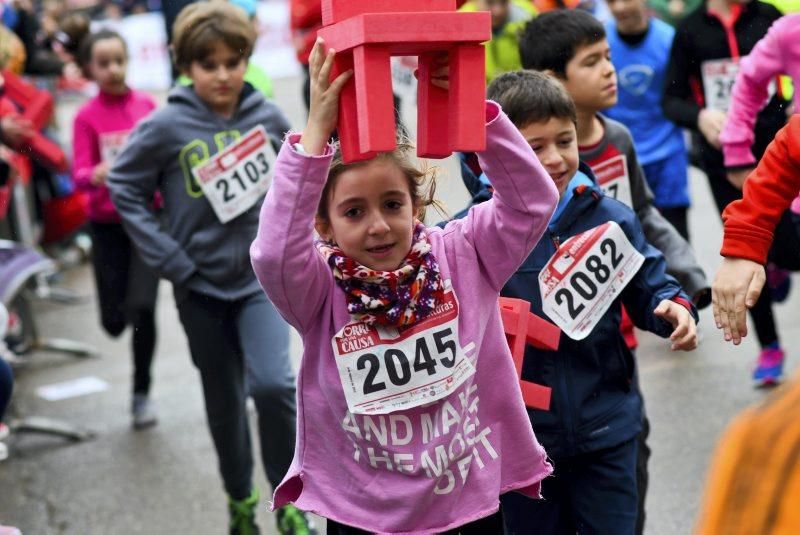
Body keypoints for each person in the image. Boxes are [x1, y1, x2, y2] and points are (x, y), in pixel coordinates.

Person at [250, 38, 558, 534]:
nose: (378, 226)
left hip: (467, 502)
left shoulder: (463, 252)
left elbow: (532, 203)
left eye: (392, 204)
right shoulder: (316, 289)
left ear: (415, 207)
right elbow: (272, 252)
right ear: (323, 226)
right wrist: (313, 140)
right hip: (364, 516)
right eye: (354, 212)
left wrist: (472, 113)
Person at [106, 3, 311, 533]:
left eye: (232, 61)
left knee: (272, 386)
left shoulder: (266, 115)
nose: (222, 75)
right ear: (184, 65)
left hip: (258, 284)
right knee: (223, 404)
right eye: (208, 64)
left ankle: (288, 501)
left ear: (246, 60)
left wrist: (294, 244)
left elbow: (295, 182)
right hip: (198, 288)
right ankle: (240, 501)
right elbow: (123, 185)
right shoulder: (165, 124)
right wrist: (170, 259)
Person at [482, 69, 697, 535]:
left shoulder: (610, 217)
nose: (556, 158)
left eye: (565, 140)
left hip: (609, 430)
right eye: (535, 147)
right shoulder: (473, 237)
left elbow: (650, 283)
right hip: (521, 449)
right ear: (495, 156)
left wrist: (672, 306)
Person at [662, 0, 794, 385]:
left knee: (784, 248)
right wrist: (700, 117)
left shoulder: (768, 16)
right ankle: (769, 347)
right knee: (742, 252)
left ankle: (780, 263)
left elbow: (786, 68)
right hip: (725, 160)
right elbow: (670, 100)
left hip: (780, 149)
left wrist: (790, 107)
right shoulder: (689, 30)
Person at [72, 28, 160, 430]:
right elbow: (78, 174)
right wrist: (98, 173)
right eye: (103, 63)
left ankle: (141, 393)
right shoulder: (85, 117)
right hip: (106, 226)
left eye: (119, 60)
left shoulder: (146, 106)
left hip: (144, 221)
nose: (113, 69)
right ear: (90, 68)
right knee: (113, 322)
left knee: (142, 308)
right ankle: (115, 313)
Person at [605, 0, 693, 242]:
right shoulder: (601, 44)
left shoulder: (669, 39)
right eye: (611, 2)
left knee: (677, 237)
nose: (619, 8)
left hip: (668, 153)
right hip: (622, 154)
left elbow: (681, 96)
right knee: (629, 240)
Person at [459, 0, 536, 83]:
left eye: (504, 2)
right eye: (490, 2)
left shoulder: (527, 16)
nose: (498, 11)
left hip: (520, 88)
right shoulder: (460, 24)